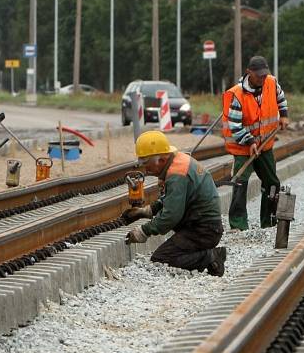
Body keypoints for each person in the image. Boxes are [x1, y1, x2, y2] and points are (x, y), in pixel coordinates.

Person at [123, 130, 227, 277]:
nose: (145, 169)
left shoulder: (177, 174)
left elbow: (171, 216)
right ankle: (207, 255)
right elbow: (172, 198)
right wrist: (146, 211)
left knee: (162, 258)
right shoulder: (176, 161)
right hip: (202, 226)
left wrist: (143, 231)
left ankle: (211, 257)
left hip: (203, 231)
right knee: (164, 256)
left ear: (161, 160)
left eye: (146, 163)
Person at [223, 55, 289, 231]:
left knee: (272, 183)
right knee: (240, 183)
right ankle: (238, 224)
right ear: (248, 73)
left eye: (264, 74)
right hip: (243, 147)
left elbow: (280, 98)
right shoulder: (237, 95)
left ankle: (269, 221)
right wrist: (249, 141)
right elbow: (235, 125)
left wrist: (284, 115)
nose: (262, 78)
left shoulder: (271, 82)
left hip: (265, 145)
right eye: (259, 75)